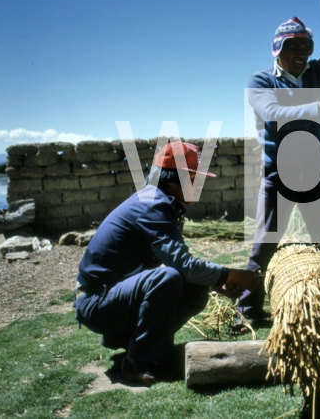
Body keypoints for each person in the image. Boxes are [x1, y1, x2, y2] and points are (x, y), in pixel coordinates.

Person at [75, 142, 258, 384]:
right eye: (194, 179)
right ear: (173, 181)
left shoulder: (161, 202)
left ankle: (145, 348)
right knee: (169, 277)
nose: (200, 186)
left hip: (112, 298)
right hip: (96, 304)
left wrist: (216, 284)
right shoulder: (152, 203)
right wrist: (230, 275)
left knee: (194, 287)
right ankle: (136, 363)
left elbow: (182, 262)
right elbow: (182, 265)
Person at [236, 0, 320, 330]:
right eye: (295, 50)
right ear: (278, 51)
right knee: (264, 244)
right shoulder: (261, 82)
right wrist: (317, 107)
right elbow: (275, 113)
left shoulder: (315, 73)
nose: (303, 57)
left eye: (306, 50)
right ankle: (247, 308)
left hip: (314, 172)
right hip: (279, 175)